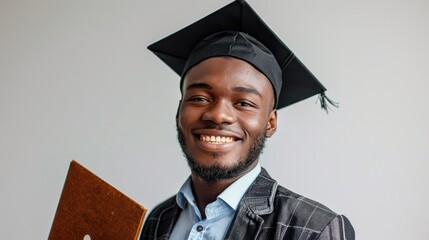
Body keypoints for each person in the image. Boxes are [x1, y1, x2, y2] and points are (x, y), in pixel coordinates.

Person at [140, 1, 354, 239]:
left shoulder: (314, 229)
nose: (218, 115)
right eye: (199, 98)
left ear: (270, 123)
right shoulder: (159, 219)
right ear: (179, 110)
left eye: (243, 103)